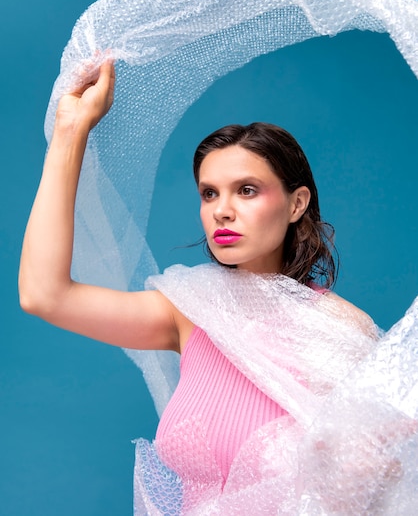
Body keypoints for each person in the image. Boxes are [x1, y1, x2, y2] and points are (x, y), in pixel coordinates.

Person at [21, 59, 406, 515]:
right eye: (209, 193)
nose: (221, 210)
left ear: (297, 203)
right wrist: (71, 129)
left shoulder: (338, 328)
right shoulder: (190, 312)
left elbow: (381, 482)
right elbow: (44, 295)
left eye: (246, 190)